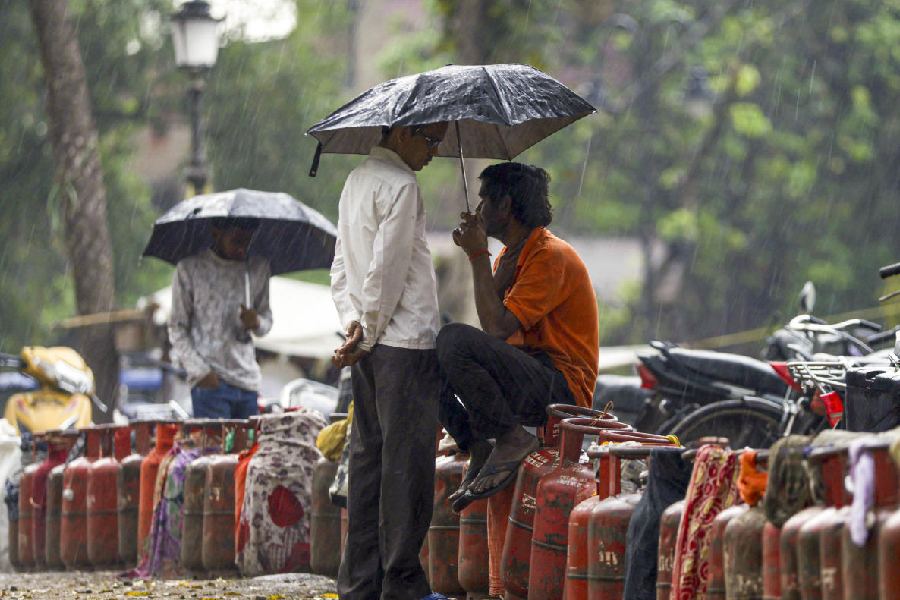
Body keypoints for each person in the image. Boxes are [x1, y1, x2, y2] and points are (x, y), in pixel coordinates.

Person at [330, 122, 449, 600]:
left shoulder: (356, 180)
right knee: (406, 468)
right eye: (430, 140)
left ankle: (360, 584)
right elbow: (389, 267)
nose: (434, 152)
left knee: (369, 466)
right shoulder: (401, 185)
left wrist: (353, 326)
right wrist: (370, 328)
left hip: (369, 345)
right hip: (404, 344)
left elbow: (341, 266)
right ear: (402, 134)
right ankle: (401, 585)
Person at [439, 162, 599, 511]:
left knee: (451, 339)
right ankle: (476, 443)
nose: (477, 210)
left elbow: (495, 328)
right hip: (530, 371)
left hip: (561, 386)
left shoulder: (550, 256)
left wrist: (478, 253)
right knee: (426, 349)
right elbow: (490, 323)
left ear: (506, 206)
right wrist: (482, 257)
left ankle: (511, 439)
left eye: (484, 202)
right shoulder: (513, 257)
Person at [168, 217, 272, 419]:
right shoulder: (190, 269)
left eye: (248, 241)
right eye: (236, 241)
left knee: (248, 451)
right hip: (210, 385)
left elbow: (267, 320)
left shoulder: (258, 268)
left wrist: (257, 322)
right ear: (216, 233)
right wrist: (200, 372)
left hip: (248, 383)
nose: (242, 249)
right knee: (216, 450)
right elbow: (177, 327)